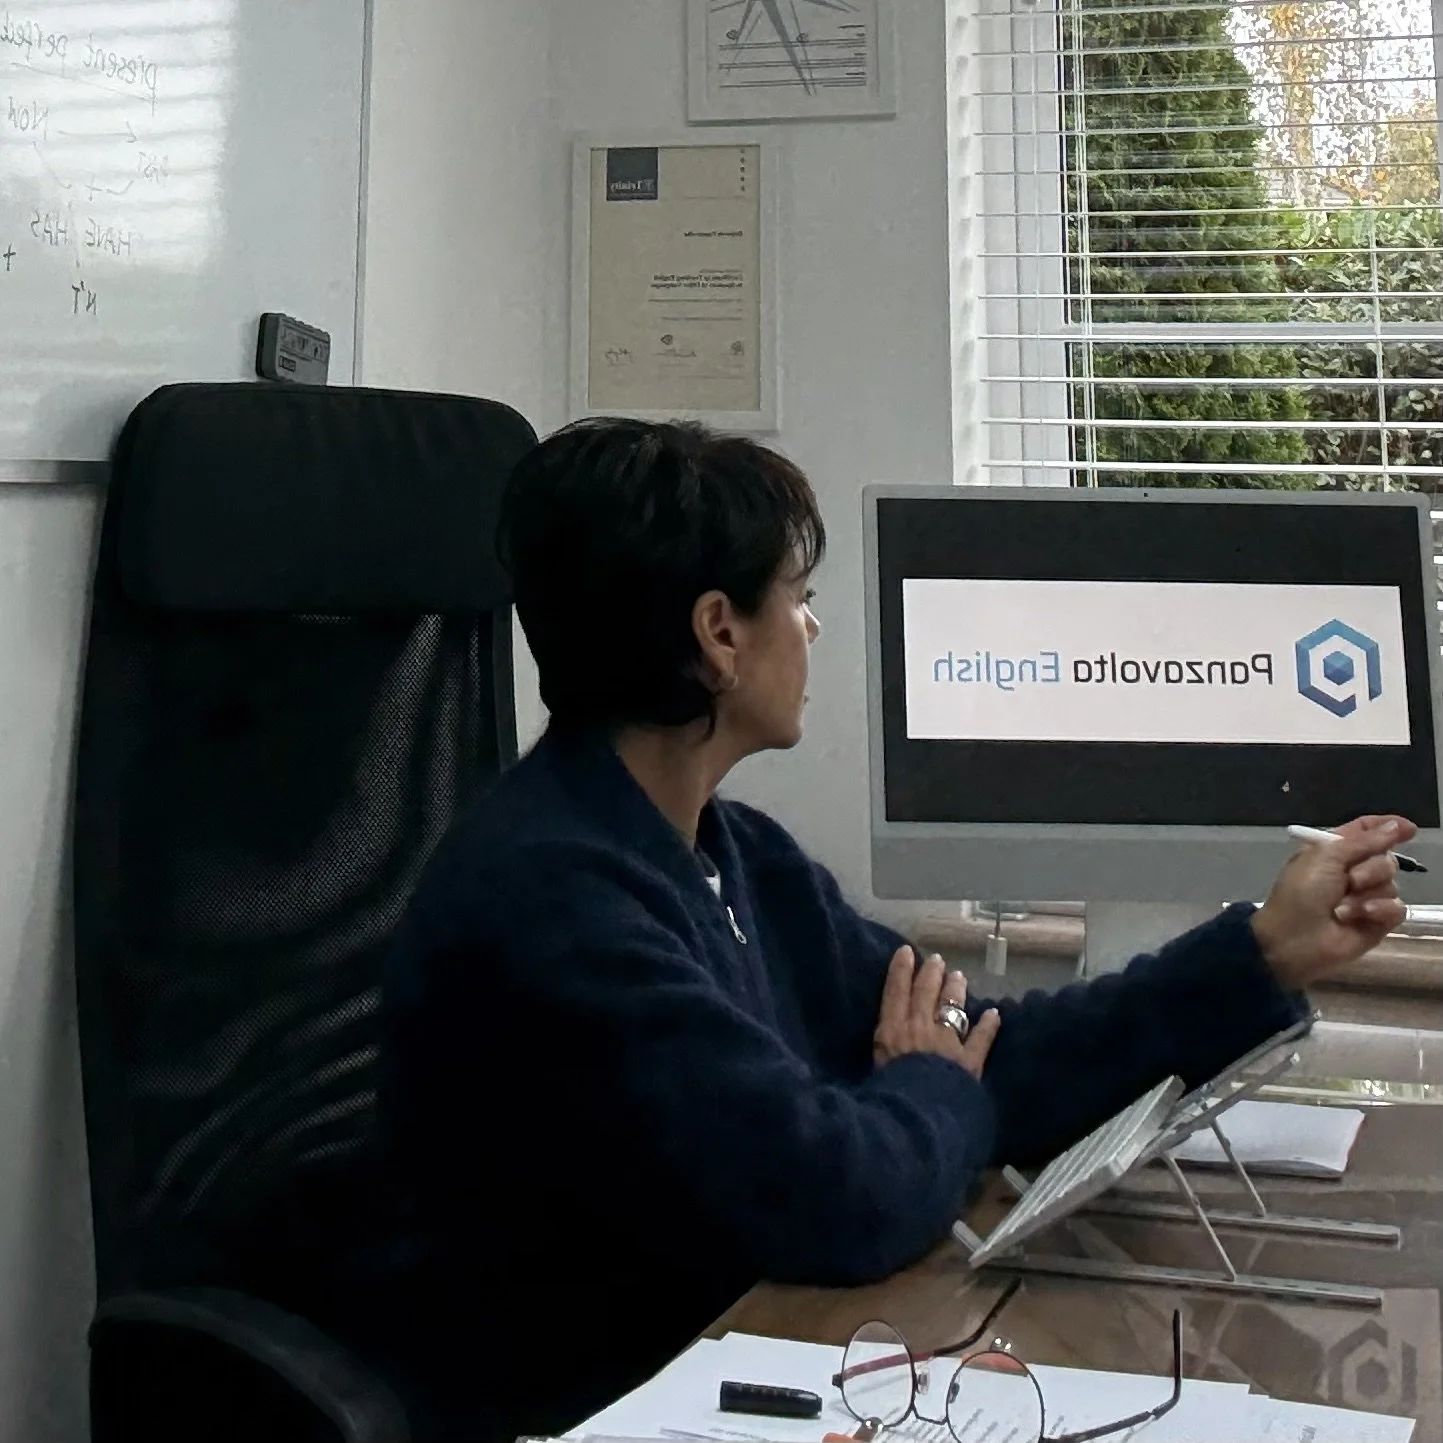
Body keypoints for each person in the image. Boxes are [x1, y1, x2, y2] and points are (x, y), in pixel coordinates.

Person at [361, 418, 1412, 1443]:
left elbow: (986, 1048)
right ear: (719, 635)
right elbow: (835, 1197)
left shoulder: (735, 853)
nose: (811, 630)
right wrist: (929, 1085)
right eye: (798, 599)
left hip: (747, 1344)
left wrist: (1261, 952)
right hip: (592, 1399)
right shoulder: (554, 902)